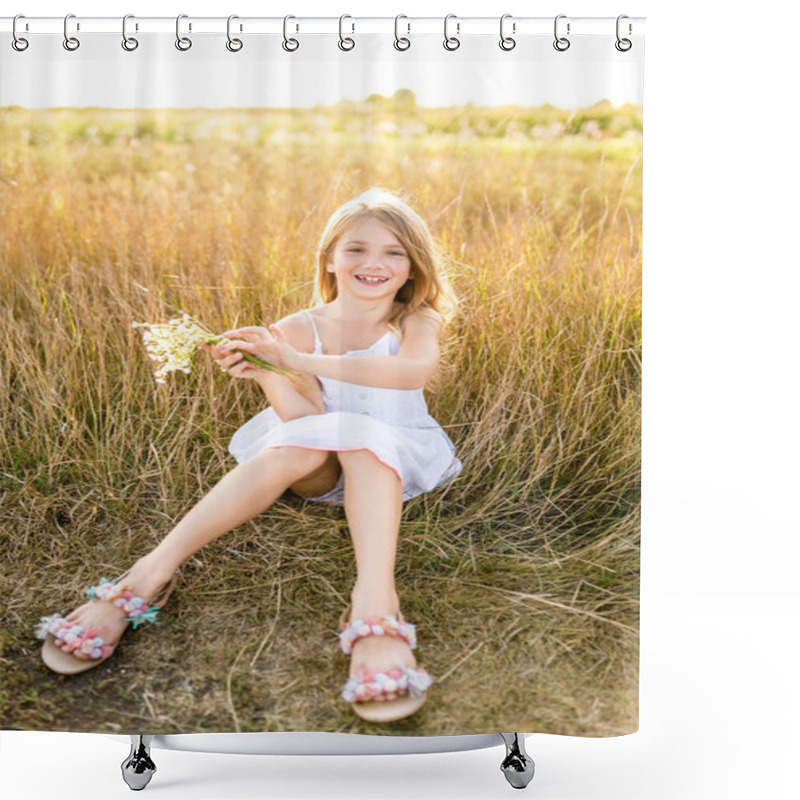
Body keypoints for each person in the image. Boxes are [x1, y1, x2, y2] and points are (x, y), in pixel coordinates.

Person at [35, 188, 462, 723]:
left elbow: (412, 373)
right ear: (330, 259)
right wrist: (267, 371)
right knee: (303, 444)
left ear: (412, 268)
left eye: (393, 252)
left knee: (362, 435)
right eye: (356, 249)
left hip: (391, 463)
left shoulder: (414, 320)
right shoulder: (298, 326)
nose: (373, 263)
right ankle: (145, 576)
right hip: (315, 464)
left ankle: (375, 601)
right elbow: (304, 419)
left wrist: (293, 357)